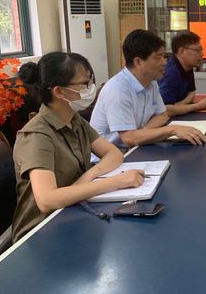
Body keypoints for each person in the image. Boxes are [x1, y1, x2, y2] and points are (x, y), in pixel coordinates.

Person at [11, 52, 145, 242]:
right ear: (59, 91)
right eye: (85, 84)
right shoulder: (36, 136)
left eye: (91, 81)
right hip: (42, 232)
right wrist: (115, 182)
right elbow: (47, 200)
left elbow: (113, 153)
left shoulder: (74, 120)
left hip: (75, 212)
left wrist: (89, 175)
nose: (91, 88)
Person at [91, 29, 206, 148]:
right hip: (110, 155)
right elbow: (129, 138)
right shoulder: (118, 89)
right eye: (158, 57)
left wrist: (142, 132)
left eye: (164, 56)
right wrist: (172, 129)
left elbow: (162, 115)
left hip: (134, 147)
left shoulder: (151, 82)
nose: (165, 62)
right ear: (138, 62)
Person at [158, 30, 206, 116]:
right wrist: (199, 106)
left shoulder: (188, 66)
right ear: (182, 51)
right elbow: (165, 110)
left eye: (201, 50)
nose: (202, 54)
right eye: (197, 50)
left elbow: (192, 93)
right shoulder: (170, 72)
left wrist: (179, 106)